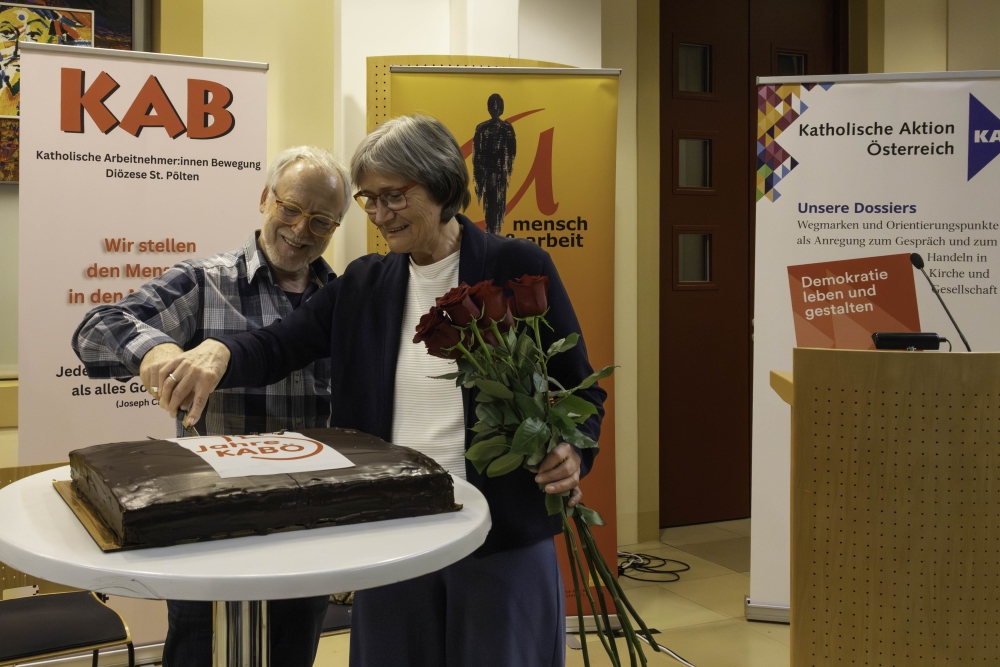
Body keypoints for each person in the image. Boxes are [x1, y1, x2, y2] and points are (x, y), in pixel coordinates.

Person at [156, 115, 606, 667]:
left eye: (393, 196)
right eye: (369, 200)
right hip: (394, 529)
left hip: (500, 533)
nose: (378, 215)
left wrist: (573, 449)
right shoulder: (364, 283)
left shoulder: (518, 267)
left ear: (441, 185)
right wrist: (219, 352)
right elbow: (277, 345)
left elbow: (577, 385)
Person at [71, 145, 351, 667]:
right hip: (212, 524)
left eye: (321, 221)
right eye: (290, 208)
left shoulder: (342, 300)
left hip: (308, 529)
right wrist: (155, 349)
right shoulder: (205, 281)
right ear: (265, 198)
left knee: (293, 653)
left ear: (335, 227)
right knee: (200, 653)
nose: (300, 229)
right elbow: (95, 331)